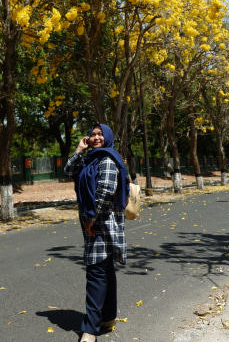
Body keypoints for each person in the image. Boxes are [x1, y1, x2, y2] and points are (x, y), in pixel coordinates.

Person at [64, 123, 129, 342]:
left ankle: (90, 330)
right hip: (93, 224)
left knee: (95, 273)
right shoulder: (90, 160)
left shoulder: (108, 160)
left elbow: (104, 193)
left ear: (108, 137)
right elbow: (69, 171)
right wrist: (78, 151)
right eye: (93, 135)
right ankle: (108, 318)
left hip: (102, 224)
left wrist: (91, 219)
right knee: (105, 271)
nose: (96, 137)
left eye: (100, 134)